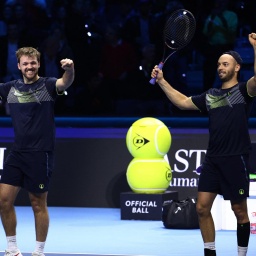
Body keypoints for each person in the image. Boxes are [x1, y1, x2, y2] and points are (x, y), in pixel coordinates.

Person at [151, 33, 256, 256]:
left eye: (225, 64)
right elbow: (182, 102)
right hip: (213, 160)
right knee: (201, 208)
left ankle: (242, 254)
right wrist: (161, 81)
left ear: (237, 67)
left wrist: (255, 47)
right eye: (218, 64)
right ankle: (210, 253)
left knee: (240, 212)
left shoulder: (244, 91)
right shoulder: (211, 95)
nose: (220, 67)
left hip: (235, 158)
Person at [0, 47, 74, 256]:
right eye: (25, 63)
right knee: (3, 201)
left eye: (33, 63)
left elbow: (65, 82)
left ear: (38, 64)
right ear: (19, 66)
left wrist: (70, 70)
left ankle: (38, 251)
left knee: (37, 203)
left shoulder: (48, 85)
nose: (29, 67)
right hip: (17, 153)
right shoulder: (9, 88)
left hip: (41, 153)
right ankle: (12, 248)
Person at [201, 0, 238, 91]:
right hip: (213, 48)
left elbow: (231, 31)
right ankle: (207, 94)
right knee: (209, 72)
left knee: (228, 73)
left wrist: (221, 17)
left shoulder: (231, 15)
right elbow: (206, 32)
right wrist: (213, 17)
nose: (219, 3)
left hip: (226, 48)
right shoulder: (212, 16)